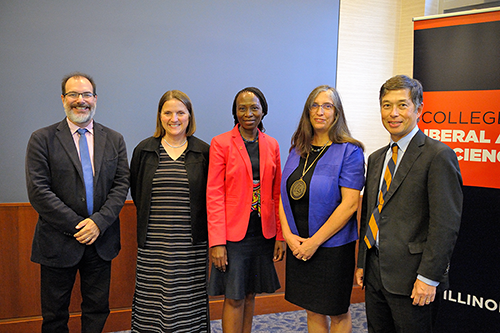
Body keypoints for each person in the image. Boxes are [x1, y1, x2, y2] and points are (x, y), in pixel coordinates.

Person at [356, 75, 463, 333]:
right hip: (375, 273)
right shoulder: (377, 157)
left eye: (402, 105)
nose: (393, 113)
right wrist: (362, 261)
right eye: (386, 105)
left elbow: (445, 225)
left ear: (418, 109)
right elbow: (372, 211)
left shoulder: (438, 155)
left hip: (414, 279)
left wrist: (428, 278)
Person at [25, 72, 130, 332]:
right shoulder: (42, 139)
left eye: (86, 94)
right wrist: (80, 226)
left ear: (95, 99)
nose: (80, 100)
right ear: (62, 99)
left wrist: (98, 223)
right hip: (57, 243)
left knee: (97, 310)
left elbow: (120, 186)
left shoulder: (114, 139)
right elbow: (39, 191)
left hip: (101, 241)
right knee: (54, 314)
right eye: (73, 94)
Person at [279, 85, 365, 332]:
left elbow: (349, 205)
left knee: (337, 310)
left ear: (336, 113)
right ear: (307, 112)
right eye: (314, 106)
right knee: (312, 307)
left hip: (332, 247)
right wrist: (288, 236)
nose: (320, 111)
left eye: (327, 106)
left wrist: (314, 242)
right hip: (299, 242)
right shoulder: (298, 147)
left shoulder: (350, 151)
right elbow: (284, 195)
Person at [130, 90, 210, 332]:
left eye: (180, 112)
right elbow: (137, 192)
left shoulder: (204, 152)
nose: (174, 118)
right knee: (152, 299)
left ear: (189, 116)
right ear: (160, 116)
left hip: (191, 243)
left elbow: (211, 197)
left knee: (188, 299)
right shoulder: (144, 150)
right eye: (168, 112)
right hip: (153, 242)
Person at [207, 87, 285, 333]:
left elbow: (276, 194)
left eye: (254, 107)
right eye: (242, 108)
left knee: (250, 294)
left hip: (262, 233)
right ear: (235, 112)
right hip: (232, 236)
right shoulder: (221, 143)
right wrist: (217, 242)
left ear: (263, 111)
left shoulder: (271, 144)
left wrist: (280, 236)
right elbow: (214, 194)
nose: (248, 113)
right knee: (234, 296)